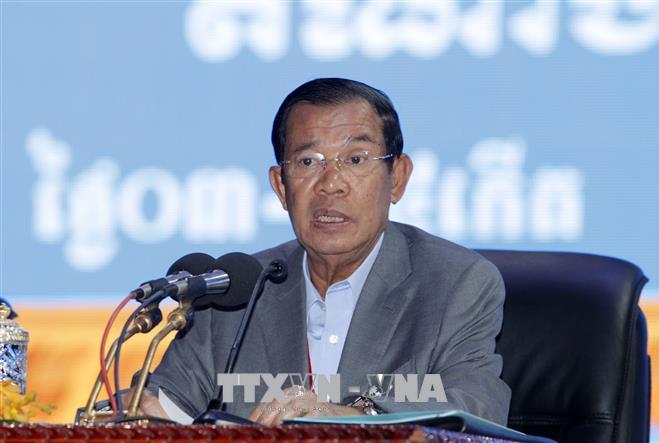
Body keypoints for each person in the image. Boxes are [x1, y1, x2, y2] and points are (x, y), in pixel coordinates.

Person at [138, 78, 511, 425]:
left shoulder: (456, 283)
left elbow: (477, 406)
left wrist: (353, 419)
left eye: (356, 159)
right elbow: (166, 404)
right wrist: (142, 413)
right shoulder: (236, 290)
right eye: (308, 162)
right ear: (281, 187)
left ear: (397, 178)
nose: (331, 184)